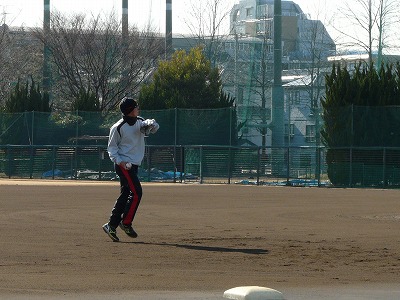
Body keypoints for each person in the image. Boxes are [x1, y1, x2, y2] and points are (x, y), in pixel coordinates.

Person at [102, 97, 159, 242]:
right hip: (124, 165)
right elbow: (112, 149)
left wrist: (153, 124)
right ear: (129, 111)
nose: (138, 108)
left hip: (134, 164)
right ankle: (126, 223)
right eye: (135, 107)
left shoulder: (140, 121)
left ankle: (111, 225)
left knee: (125, 194)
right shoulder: (118, 127)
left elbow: (151, 128)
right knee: (137, 192)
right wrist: (121, 162)